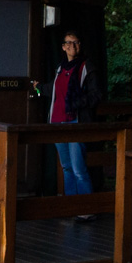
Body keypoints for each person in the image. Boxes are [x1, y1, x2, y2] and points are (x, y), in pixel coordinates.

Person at [32, 31, 103, 220]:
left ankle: (86, 209)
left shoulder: (86, 67)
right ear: (63, 47)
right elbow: (55, 90)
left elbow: (96, 95)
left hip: (75, 122)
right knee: (66, 167)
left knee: (79, 167)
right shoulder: (60, 68)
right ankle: (69, 207)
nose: (73, 46)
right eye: (69, 43)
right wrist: (38, 88)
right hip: (57, 123)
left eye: (76, 42)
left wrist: (78, 103)